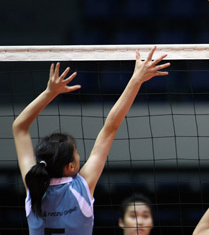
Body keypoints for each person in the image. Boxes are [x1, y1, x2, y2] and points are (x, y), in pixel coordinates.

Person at [12, 47, 169, 235]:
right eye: (77, 153)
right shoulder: (81, 186)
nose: (80, 156)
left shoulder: (34, 190)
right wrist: (136, 80)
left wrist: (49, 93)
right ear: (71, 167)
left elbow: (19, 127)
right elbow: (110, 127)